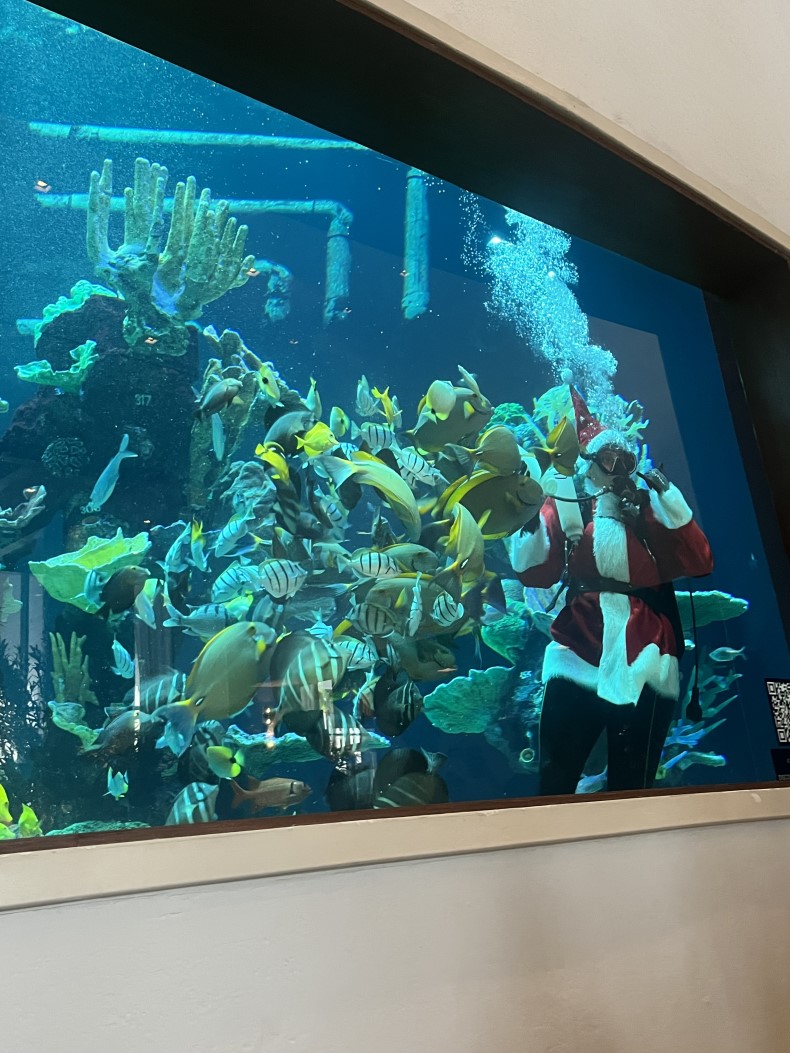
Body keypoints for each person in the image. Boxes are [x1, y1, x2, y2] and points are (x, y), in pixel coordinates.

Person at [509, 389, 714, 795]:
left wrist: (666, 495)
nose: (617, 469)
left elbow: (699, 560)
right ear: (589, 462)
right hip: (579, 646)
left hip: (649, 654)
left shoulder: (648, 508)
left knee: (635, 779)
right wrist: (532, 514)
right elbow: (534, 572)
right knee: (557, 774)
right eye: (608, 459)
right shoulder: (569, 503)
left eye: (626, 461)